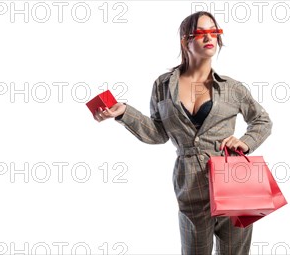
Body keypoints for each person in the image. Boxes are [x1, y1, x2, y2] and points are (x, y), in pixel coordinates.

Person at [93, 11, 273, 255]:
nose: (209, 37)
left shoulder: (232, 88)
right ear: (184, 40)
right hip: (189, 183)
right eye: (201, 33)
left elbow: (262, 120)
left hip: (233, 178)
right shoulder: (163, 85)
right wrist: (124, 112)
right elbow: (158, 133)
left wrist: (245, 142)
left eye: (214, 32)